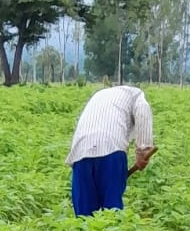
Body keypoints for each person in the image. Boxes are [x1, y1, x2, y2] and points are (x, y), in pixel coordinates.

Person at [65, 85, 156, 217]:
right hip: (111, 149)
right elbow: (143, 113)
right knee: (111, 212)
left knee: (83, 217)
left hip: (80, 151)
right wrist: (143, 150)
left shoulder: (100, 95)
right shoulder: (137, 95)